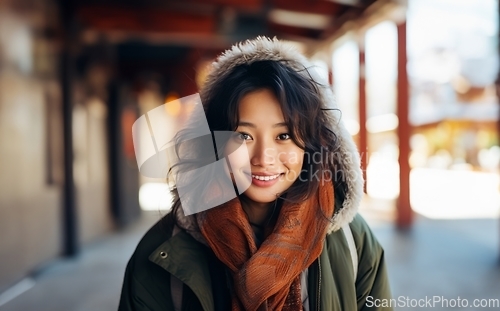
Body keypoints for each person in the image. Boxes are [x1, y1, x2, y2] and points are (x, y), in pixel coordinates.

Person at [118, 37, 393, 311]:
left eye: (283, 135)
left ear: (311, 144)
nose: (263, 158)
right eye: (243, 136)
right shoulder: (162, 252)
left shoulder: (352, 240)